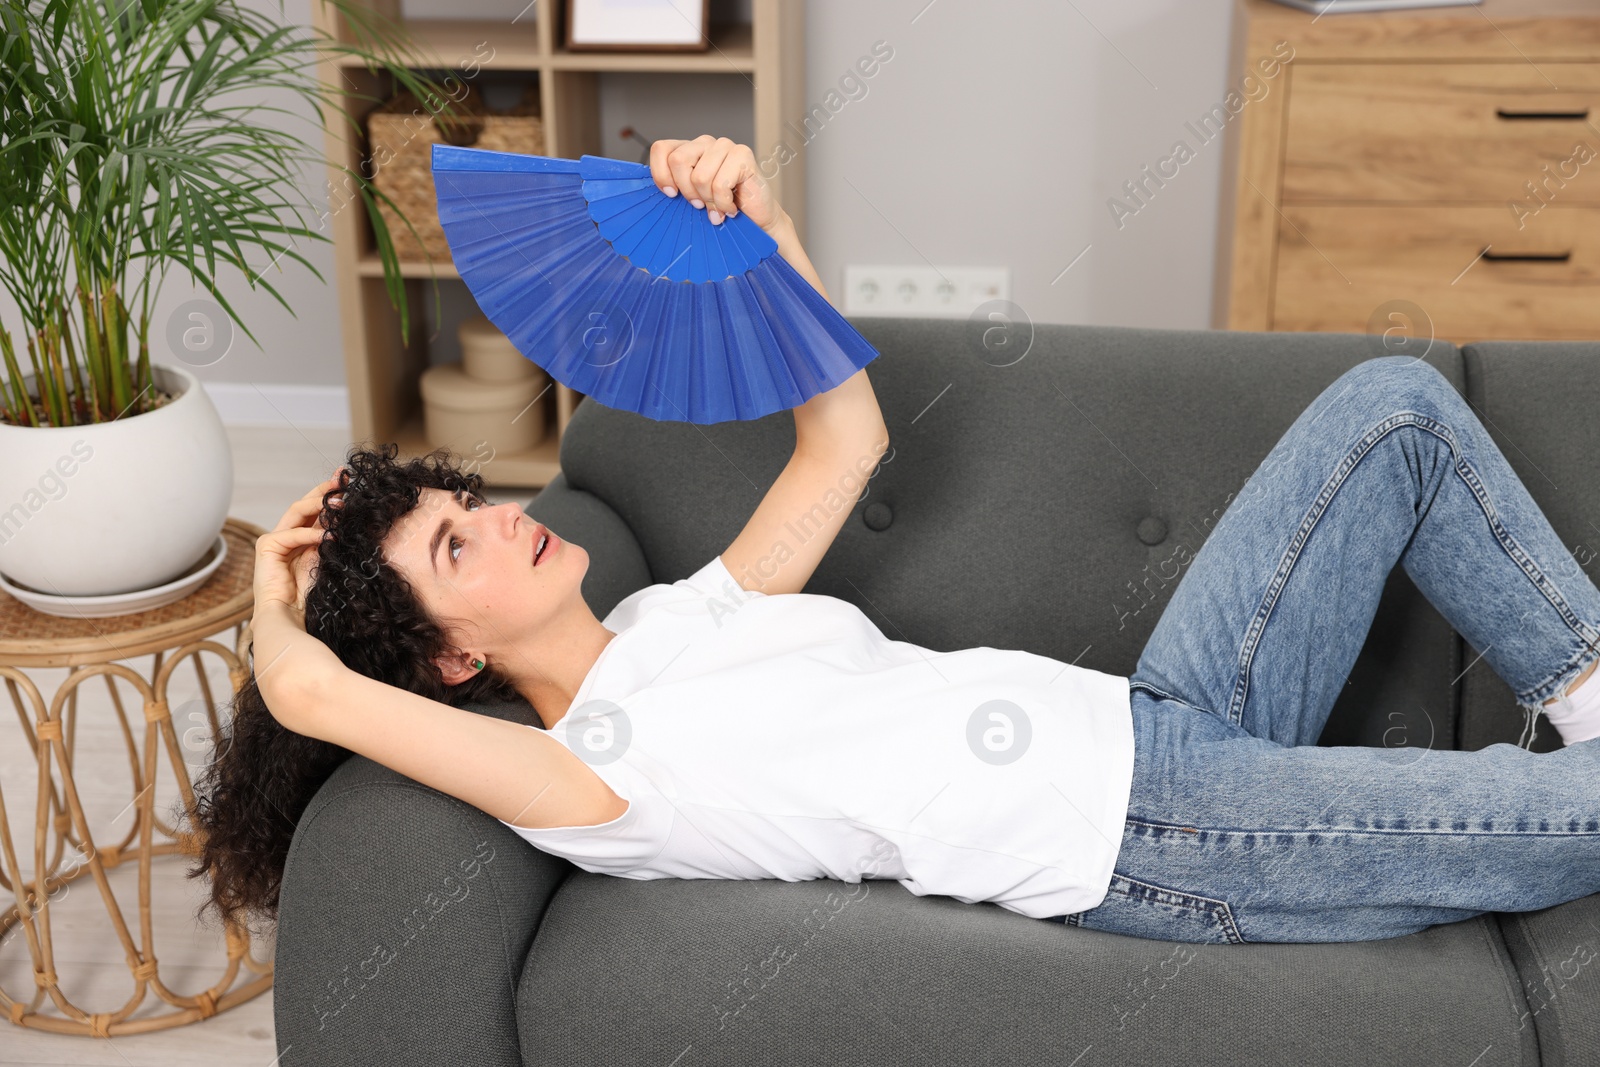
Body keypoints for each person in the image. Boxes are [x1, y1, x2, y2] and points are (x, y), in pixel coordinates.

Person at [189, 136, 1600, 947]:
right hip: (1150, 833)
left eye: (468, 502)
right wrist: (274, 586)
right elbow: (312, 696)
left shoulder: (684, 620)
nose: (504, 517)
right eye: (455, 551)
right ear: (447, 664)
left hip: (1164, 719)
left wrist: (767, 222)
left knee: (1393, 408)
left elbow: (844, 442)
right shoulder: (583, 782)